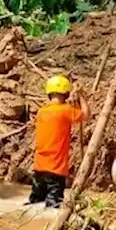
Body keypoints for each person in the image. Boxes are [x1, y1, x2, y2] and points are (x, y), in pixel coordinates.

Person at [29, 75, 87, 208]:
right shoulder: (65, 110)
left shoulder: (41, 111)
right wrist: (81, 96)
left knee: (34, 205)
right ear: (65, 93)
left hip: (39, 169)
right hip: (56, 169)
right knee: (53, 207)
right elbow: (86, 114)